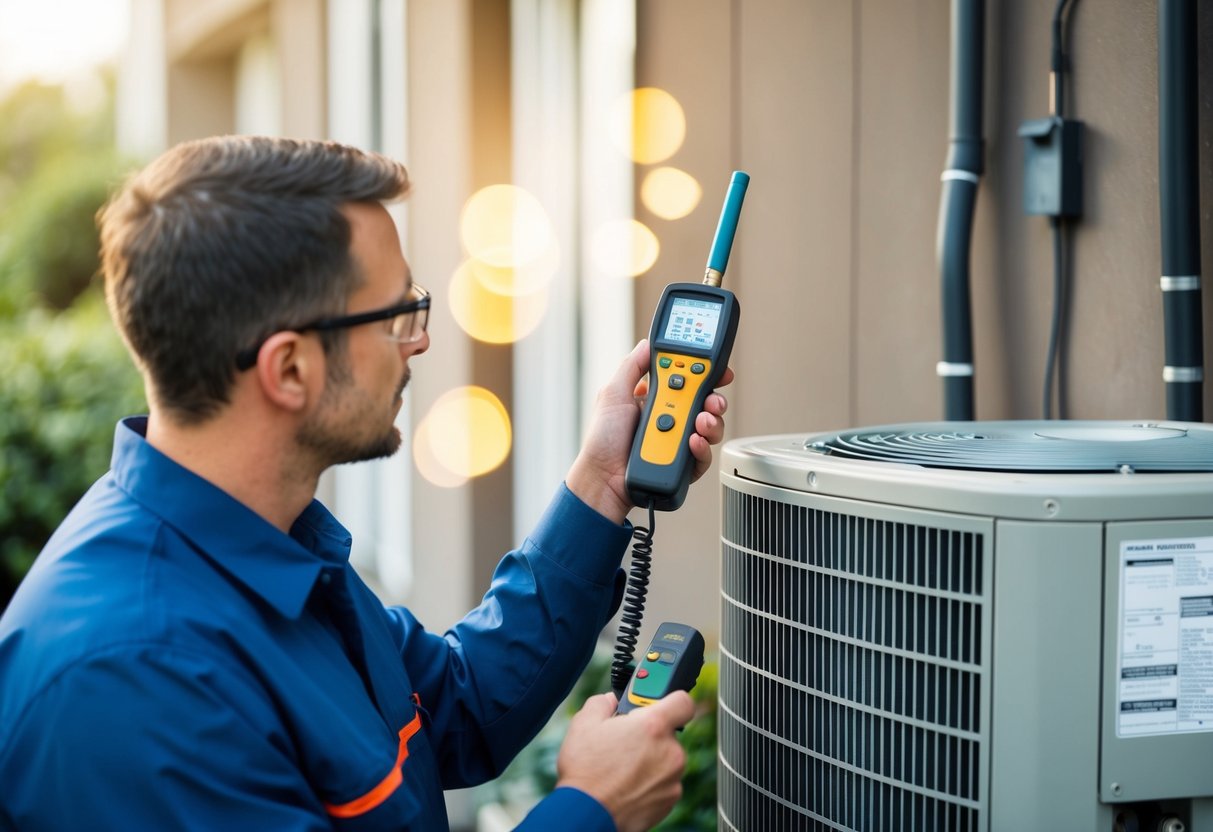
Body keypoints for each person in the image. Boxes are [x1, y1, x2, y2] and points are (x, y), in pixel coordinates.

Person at [0, 136, 732, 832]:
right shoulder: (134, 681)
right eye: (395, 315)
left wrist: (604, 484)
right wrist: (589, 809)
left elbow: (458, 705)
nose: (419, 340)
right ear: (289, 369)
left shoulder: (267, 548)